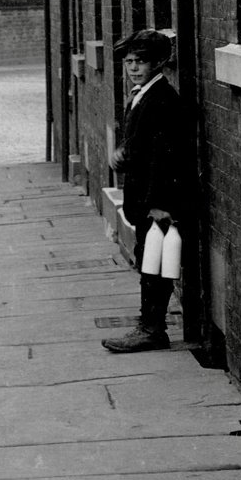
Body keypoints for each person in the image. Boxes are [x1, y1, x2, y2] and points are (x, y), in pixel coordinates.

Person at [102, 29, 192, 353]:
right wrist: (123, 153)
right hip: (144, 198)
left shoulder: (163, 99)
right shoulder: (142, 94)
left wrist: (160, 203)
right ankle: (148, 325)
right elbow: (142, 144)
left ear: (158, 63)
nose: (133, 68)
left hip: (158, 201)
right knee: (147, 258)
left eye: (140, 62)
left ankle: (152, 329)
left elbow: (166, 156)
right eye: (128, 62)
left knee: (155, 262)